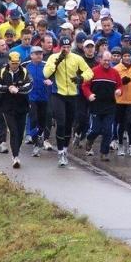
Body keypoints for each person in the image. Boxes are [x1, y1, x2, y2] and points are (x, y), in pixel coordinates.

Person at [43, 36, 93, 167]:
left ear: (71, 47)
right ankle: (60, 152)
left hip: (72, 95)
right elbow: (46, 73)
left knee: (69, 124)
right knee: (61, 122)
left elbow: (89, 72)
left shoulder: (76, 58)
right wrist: (57, 62)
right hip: (58, 94)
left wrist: (81, 78)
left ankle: (65, 148)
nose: (66, 49)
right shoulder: (53, 57)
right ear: (59, 47)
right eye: (63, 47)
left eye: (68, 47)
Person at [0, 51, 34, 168]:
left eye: (16, 63)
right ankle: (15, 157)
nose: (14, 65)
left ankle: (17, 150)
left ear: (19, 62)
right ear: (8, 62)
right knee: (13, 131)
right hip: (7, 107)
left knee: (20, 132)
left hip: (22, 106)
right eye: (12, 63)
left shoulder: (24, 72)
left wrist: (18, 89)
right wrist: (8, 88)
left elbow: (29, 85)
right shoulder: (2, 72)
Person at [82, 51, 122, 161]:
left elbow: (119, 85)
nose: (107, 62)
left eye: (109, 61)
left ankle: (104, 153)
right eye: (105, 60)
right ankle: (89, 140)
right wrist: (89, 95)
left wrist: (119, 91)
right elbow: (85, 86)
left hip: (110, 105)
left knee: (108, 130)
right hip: (96, 105)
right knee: (95, 129)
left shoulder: (115, 73)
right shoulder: (93, 71)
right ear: (100, 60)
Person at [26, 46, 53, 156]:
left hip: (44, 98)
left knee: (42, 121)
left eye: (40, 54)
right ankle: (35, 145)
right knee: (33, 119)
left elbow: (54, 78)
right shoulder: (27, 67)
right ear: (31, 55)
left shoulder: (47, 66)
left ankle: (40, 135)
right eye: (36, 54)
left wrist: (50, 82)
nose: (39, 56)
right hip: (32, 98)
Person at [114, 47, 131, 157]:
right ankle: (120, 145)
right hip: (120, 100)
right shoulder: (116, 69)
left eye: (128, 56)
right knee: (121, 123)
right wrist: (121, 83)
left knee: (130, 122)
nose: (127, 58)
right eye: (125, 56)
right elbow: (114, 84)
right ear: (121, 57)